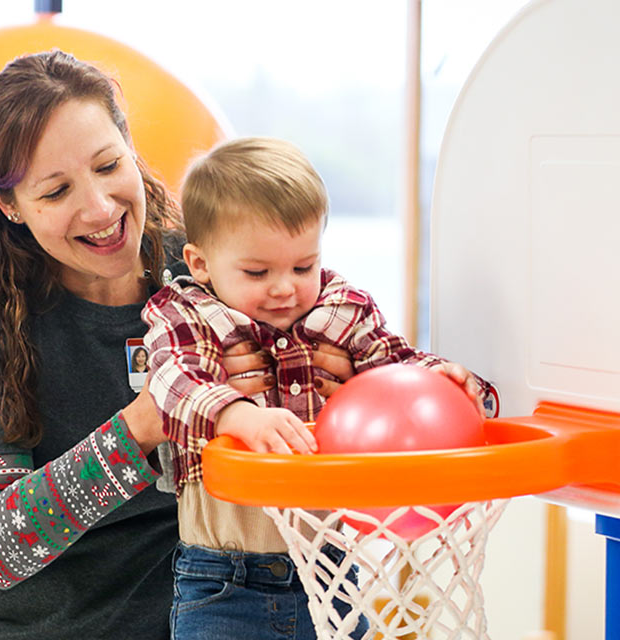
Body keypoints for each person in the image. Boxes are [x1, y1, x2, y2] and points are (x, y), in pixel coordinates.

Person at [0, 52, 355, 640]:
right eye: (57, 191)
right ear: (9, 206)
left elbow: (345, 335)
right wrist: (140, 428)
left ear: (130, 147)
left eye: (109, 165)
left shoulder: (211, 270)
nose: (100, 208)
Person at [141, 137, 493, 640]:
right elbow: (174, 382)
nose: (285, 287)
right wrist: (238, 416)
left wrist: (443, 376)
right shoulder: (188, 314)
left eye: (303, 266)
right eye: (258, 272)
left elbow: (394, 365)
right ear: (200, 263)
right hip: (223, 578)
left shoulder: (341, 308)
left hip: (330, 573)